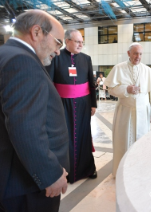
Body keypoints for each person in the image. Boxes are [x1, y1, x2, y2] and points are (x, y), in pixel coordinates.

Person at [0, 10, 69, 212]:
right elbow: (25, 128)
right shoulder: (22, 62)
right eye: (58, 42)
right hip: (25, 184)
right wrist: (49, 175)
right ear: (37, 32)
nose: (58, 51)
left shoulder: (6, 54)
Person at [46, 29, 97, 183]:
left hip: (83, 104)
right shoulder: (56, 57)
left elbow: (91, 83)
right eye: (77, 41)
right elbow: (49, 83)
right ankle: (66, 172)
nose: (81, 44)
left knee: (84, 135)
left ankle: (87, 169)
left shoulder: (86, 59)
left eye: (82, 42)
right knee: (64, 137)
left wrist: (93, 104)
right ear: (67, 41)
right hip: (62, 105)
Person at [104, 43, 151, 176]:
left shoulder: (148, 70)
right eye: (135, 53)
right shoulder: (119, 68)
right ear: (129, 53)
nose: (138, 57)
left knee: (142, 142)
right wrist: (126, 89)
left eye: (140, 54)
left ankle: (140, 170)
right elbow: (111, 89)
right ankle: (123, 172)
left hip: (143, 111)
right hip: (125, 111)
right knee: (123, 142)